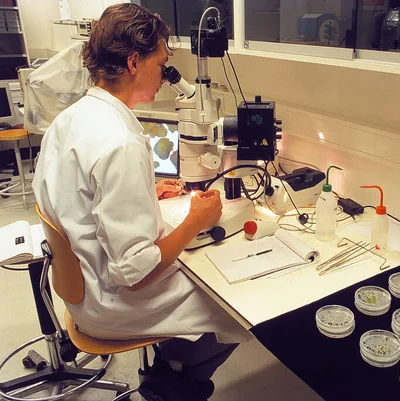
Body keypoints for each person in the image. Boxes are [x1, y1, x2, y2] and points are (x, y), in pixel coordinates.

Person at [32, 4, 250, 400]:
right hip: (112, 302)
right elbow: (137, 273)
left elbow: (75, 195)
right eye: (161, 63)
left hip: (77, 289)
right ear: (134, 61)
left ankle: (175, 367)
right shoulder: (120, 142)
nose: (165, 77)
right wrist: (194, 222)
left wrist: (145, 192)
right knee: (238, 297)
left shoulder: (72, 118)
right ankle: (174, 381)